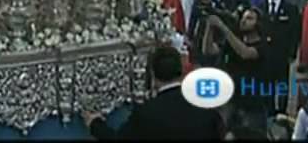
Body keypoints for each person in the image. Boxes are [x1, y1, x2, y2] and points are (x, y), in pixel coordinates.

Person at [85, 45, 224, 140]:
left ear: (152, 75)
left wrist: (94, 123)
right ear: (181, 71)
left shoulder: (146, 113)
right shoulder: (205, 105)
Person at [203, 8, 268, 131]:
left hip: (252, 102)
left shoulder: (263, 44)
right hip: (231, 99)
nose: (243, 21)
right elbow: (208, 50)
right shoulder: (235, 40)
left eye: (249, 18)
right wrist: (209, 28)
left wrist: (223, 27)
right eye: (243, 18)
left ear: (258, 23)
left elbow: (245, 53)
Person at [262, 0, 300, 116]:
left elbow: (295, 32)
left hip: (282, 53)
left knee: (283, 83)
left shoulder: (290, 9)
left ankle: (282, 109)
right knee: (267, 83)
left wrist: (292, 52)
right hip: (265, 53)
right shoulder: (260, 7)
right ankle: (269, 109)